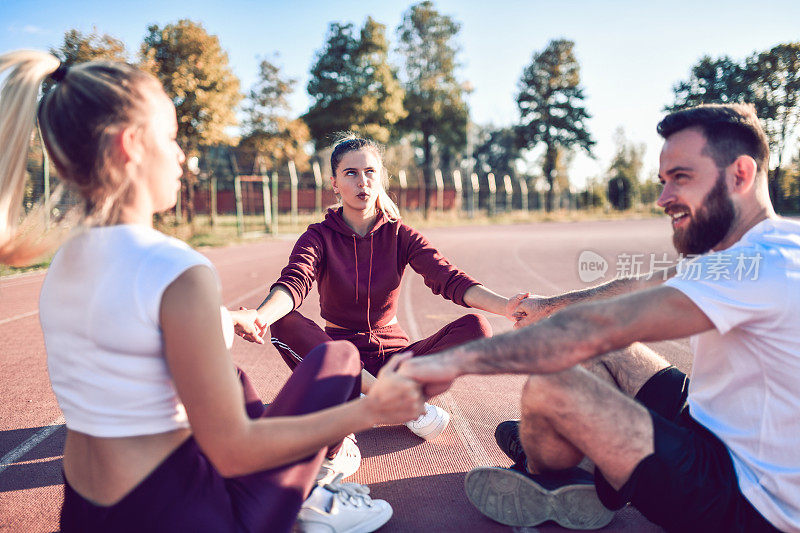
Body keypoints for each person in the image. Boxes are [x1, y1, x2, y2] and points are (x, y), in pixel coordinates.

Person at [0, 50, 425, 533]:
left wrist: (224, 318)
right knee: (341, 360)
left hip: (84, 511)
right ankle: (313, 499)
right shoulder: (178, 270)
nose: (183, 155)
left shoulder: (65, 263)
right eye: (172, 138)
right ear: (132, 144)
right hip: (187, 516)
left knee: (235, 375)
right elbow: (236, 448)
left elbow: (128, 322)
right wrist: (371, 409)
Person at [400, 103, 797, 532]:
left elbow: (598, 327)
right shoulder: (745, 250)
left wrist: (434, 365)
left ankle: (545, 462)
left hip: (742, 498)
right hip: (710, 425)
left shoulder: (765, 264)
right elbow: (639, 286)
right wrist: (550, 304)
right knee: (611, 352)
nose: (663, 199)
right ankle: (579, 463)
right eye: (663, 181)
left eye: (681, 178)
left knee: (553, 381)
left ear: (740, 174)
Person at [235, 135, 522, 443]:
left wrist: (508, 307)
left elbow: (449, 278)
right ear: (334, 183)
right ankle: (391, 400)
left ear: (380, 178)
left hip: (397, 362)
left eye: (370, 172)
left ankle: (370, 397)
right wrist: (260, 315)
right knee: (283, 321)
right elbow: (296, 280)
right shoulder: (318, 236)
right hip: (341, 360)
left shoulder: (401, 235)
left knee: (477, 328)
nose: (363, 181)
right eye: (351, 173)